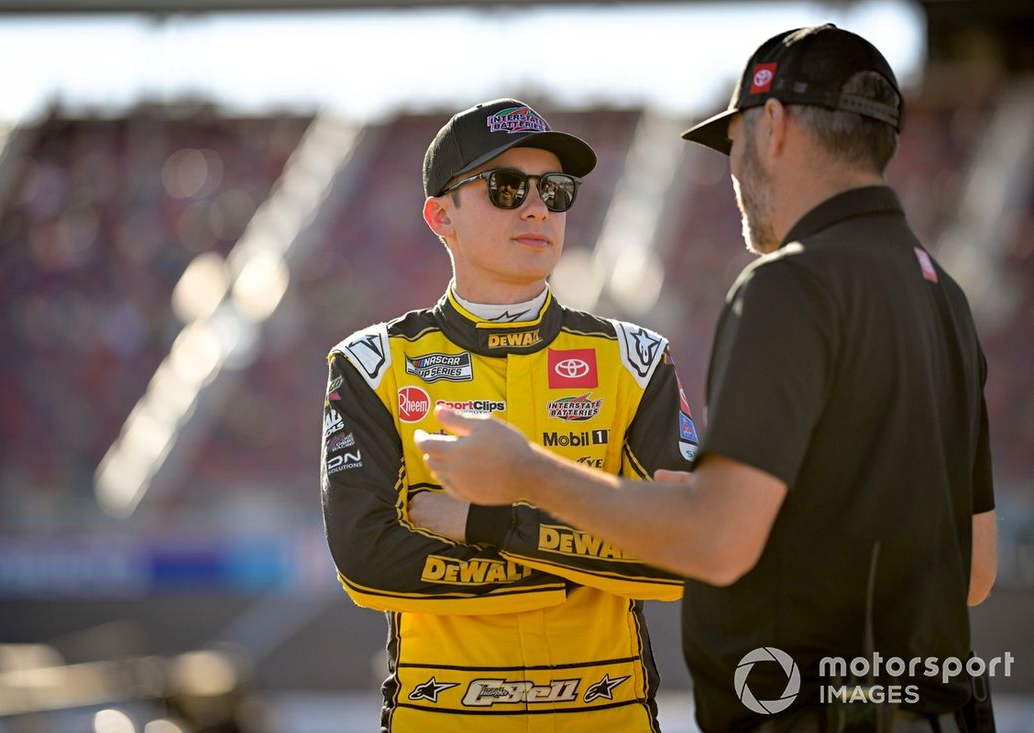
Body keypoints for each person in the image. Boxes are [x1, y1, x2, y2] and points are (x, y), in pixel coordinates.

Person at [415, 27, 998, 733]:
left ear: (773, 126)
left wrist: (527, 472)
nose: (733, 173)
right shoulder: (941, 293)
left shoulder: (790, 284)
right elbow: (974, 570)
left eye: (734, 143)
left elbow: (718, 542)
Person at [320, 98, 699, 733]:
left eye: (555, 191)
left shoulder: (635, 360)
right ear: (441, 216)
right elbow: (366, 560)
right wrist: (572, 562)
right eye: (506, 187)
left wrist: (484, 523)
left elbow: (682, 551)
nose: (537, 209)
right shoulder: (371, 365)